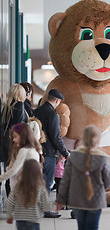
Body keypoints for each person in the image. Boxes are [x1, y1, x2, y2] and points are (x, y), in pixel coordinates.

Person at [55, 125, 110, 230]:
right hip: (96, 199)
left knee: (81, 227)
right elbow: (108, 180)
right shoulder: (103, 159)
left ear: (83, 139)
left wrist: (61, 198)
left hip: (77, 199)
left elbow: (65, 181)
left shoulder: (73, 157)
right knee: (93, 227)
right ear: (98, 140)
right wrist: (100, 189)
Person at [34, 89, 69, 218]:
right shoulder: (52, 114)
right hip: (48, 152)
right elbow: (56, 137)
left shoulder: (36, 111)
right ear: (57, 100)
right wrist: (65, 152)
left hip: (36, 151)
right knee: (47, 181)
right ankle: (45, 209)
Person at [6, 159, 50, 230]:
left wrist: (9, 216)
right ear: (38, 173)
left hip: (19, 220)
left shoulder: (17, 188)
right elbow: (46, 207)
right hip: (34, 220)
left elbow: (10, 202)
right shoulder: (41, 189)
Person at [1, 84, 28, 196]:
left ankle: (10, 198)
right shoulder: (20, 105)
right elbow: (19, 126)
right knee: (17, 171)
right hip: (15, 143)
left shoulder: (6, 107)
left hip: (5, 143)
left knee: (9, 171)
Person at [0, 122, 41, 189]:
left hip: (23, 189)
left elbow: (14, 170)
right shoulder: (32, 149)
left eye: (15, 136)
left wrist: (2, 177)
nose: (13, 140)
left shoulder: (24, 151)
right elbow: (12, 165)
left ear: (23, 136)